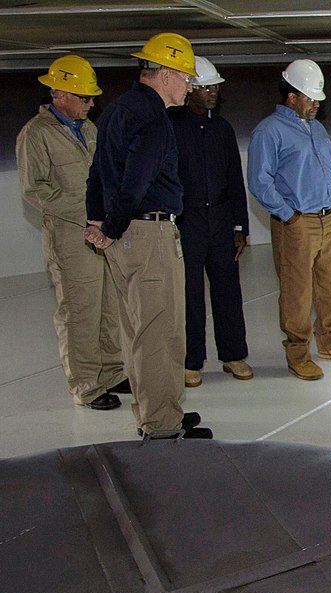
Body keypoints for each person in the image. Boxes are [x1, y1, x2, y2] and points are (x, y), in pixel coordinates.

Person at [85, 32, 211, 438]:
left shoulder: (118, 111)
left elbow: (98, 173)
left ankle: (157, 412)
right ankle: (161, 425)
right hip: (148, 233)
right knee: (161, 332)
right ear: (167, 73)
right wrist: (113, 225)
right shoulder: (154, 119)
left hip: (126, 235)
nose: (190, 86)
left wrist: (98, 222)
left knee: (138, 330)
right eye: (187, 78)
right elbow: (134, 183)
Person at [16, 55, 129, 411]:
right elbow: (35, 190)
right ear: (60, 94)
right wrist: (87, 213)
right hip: (70, 238)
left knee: (109, 307)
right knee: (80, 312)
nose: (91, 104)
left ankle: (111, 372)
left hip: (102, 235)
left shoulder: (90, 129)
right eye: (85, 98)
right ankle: (87, 386)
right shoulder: (35, 134)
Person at [247, 59, 331, 380]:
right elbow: (259, 180)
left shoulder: (317, 127)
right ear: (292, 96)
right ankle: (298, 353)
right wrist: (288, 215)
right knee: (297, 292)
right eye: (310, 98)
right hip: (296, 223)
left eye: (317, 99)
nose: (316, 104)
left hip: (327, 219)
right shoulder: (269, 130)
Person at [170, 56, 252, 388]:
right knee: (190, 294)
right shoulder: (172, 127)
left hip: (221, 221)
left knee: (228, 290)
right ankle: (191, 361)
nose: (212, 92)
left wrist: (240, 226)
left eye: (215, 86)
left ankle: (233, 355)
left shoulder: (223, 129)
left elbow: (235, 179)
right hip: (187, 222)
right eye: (205, 86)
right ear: (189, 90)